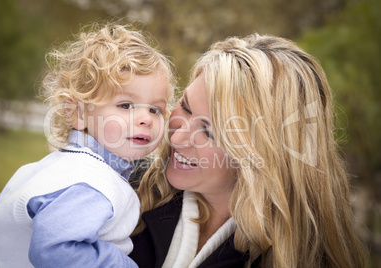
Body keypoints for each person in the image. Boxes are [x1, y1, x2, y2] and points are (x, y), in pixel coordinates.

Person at [129, 33, 368, 268]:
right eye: (185, 106)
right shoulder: (121, 187)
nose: (178, 137)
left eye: (210, 133)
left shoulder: (295, 258)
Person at [0, 22, 175, 267]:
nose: (146, 119)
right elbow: (56, 248)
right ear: (78, 112)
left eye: (155, 109)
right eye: (125, 105)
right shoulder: (90, 182)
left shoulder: (57, 167)